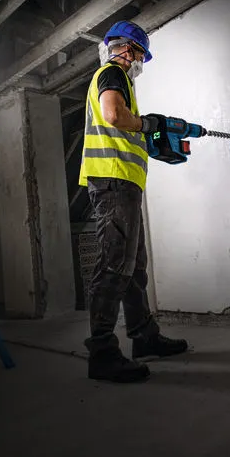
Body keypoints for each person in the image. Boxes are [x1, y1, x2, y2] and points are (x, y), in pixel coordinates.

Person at [78, 20, 189, 383]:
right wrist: (146, 125)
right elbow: (114, 115)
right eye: (140, 53)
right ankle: (103, 352)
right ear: (127, 48)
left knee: (133, 266)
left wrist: (149, 132)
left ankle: (144, 337)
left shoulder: (116, 78)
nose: (141, 60)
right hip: (112, 180)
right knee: (114, 266)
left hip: (121, 181)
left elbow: (123, 125)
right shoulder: (113, 74)